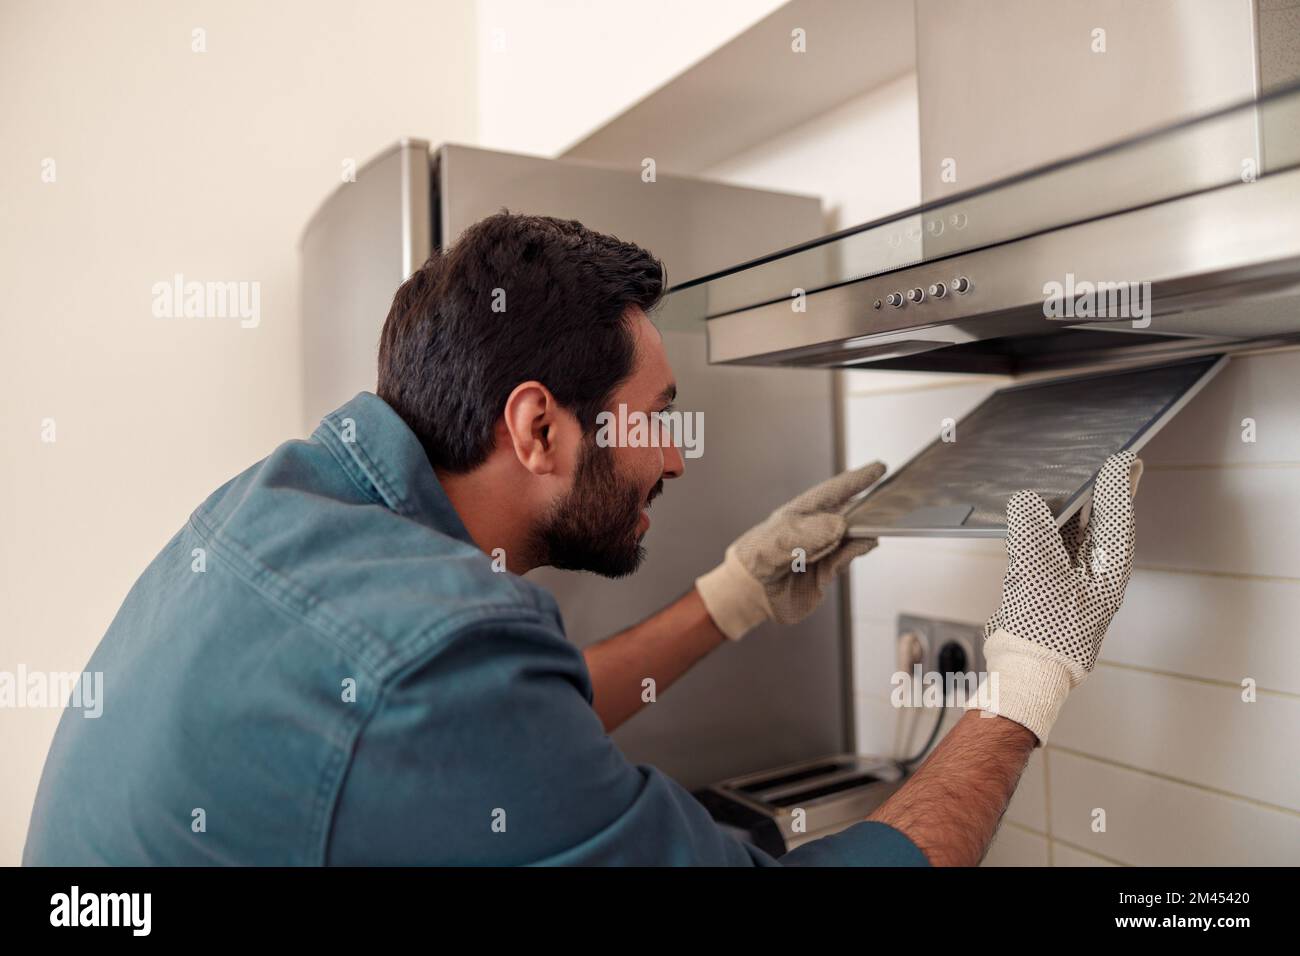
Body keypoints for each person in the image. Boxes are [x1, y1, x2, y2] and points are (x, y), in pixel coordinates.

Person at [23, 213, 1143, 866]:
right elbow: (446, 705)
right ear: (537, 426)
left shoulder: (281, 510)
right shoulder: (433, 647)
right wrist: (1023, 686)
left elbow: (476, 729)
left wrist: (736, 593)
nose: (677, 454)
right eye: (657, 413)